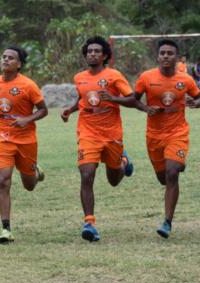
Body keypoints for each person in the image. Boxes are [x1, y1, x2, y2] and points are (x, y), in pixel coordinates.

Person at [0, 46, 48, 244]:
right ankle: (6, 229)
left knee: (29, 185)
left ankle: (35, 173)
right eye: (3, 56)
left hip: (26, 140)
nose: (5, 60)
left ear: (19, 64)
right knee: (3, 180)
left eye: (10, 58)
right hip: (2, 138)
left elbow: (44, 110)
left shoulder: (28, 85)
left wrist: (26, 120)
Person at [61, 36, 136, 242]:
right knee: (86, 174)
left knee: (113, 180)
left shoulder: (114, 76)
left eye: (96, 51)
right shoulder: (79, 78)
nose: (92, 54)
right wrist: (70, 109)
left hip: (111, 135)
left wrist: (114, 98)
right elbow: (84, 98)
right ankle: (89, 223)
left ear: (104, 56)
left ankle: (123, 161)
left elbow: (132, 98)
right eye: (89, 51)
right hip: (87, 133)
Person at [134, 39, 200, 239]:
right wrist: (146, 108)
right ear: (158, 56)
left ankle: (167, 221)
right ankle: (177, 163)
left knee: (172, 173)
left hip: (178, 133)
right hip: (154, 136)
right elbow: (134, 99)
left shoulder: (186, 79)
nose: (166, 56)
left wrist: (196, 102)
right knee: (163, 178)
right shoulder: (146, 78)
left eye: (170, 53)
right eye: (163, 53)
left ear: (177, 57)